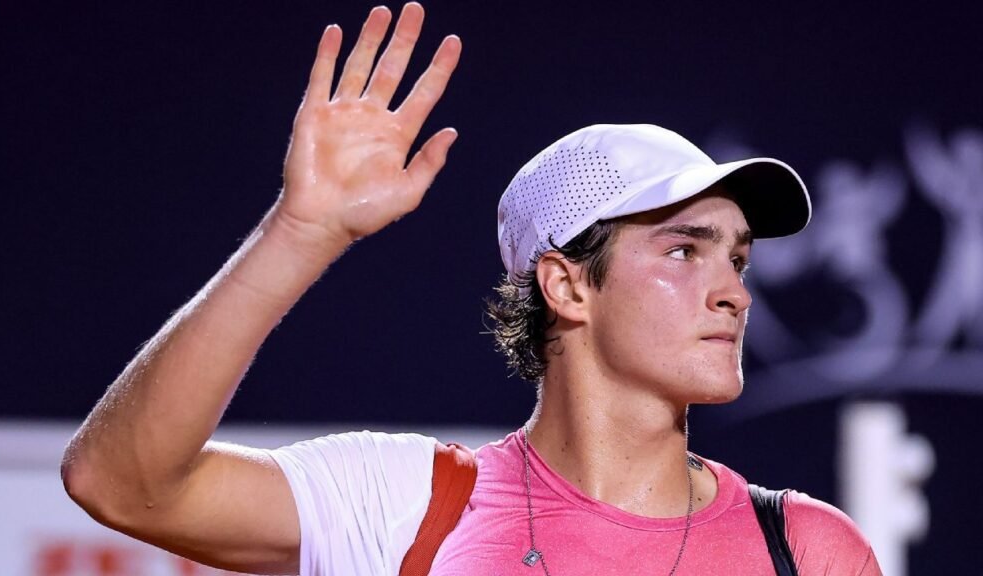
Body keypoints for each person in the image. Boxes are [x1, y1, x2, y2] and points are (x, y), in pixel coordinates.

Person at [61, 3, 881, 575]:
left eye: (736, 258)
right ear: (566, 285)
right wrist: (299, 234)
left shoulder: (807, 551)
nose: (734, 293)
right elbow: (120, 484)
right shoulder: (404, 506)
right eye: (682, 250)